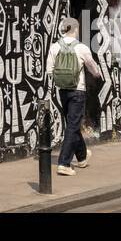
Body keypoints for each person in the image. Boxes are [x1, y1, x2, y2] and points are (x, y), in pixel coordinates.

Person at [46, 18, 102, 176]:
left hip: (63, 90)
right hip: (78, 90)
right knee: (72, 125)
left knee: (73, 124)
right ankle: (64, 163)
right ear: (76, 29)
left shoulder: (54, 47)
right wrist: (97, 74)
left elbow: (49, 70)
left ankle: (82, 157)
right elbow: (93, 68)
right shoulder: (82, 48)